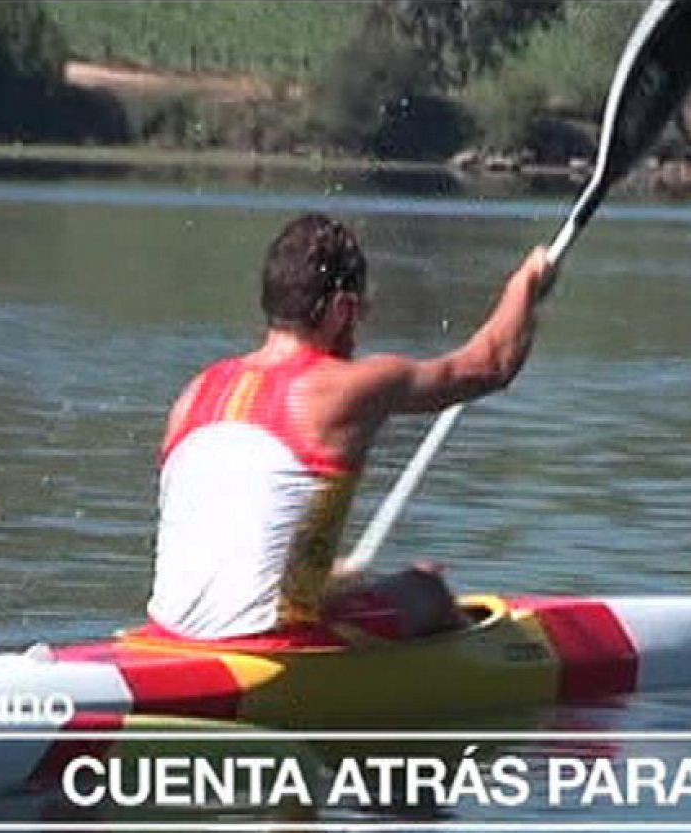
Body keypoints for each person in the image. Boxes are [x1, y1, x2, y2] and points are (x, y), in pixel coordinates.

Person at [147, 213, 551, 642]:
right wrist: (525, 285)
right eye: (360, 312)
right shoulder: (344, 387)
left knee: (353, 582)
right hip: (270, 647)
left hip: (164, 635)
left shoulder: (197, 392)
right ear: (342, 309)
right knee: (425, 589)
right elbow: (488, 366)